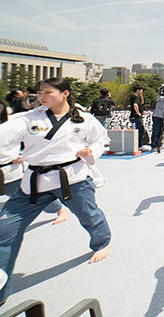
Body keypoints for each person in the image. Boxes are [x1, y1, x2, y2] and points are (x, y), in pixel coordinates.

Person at [0, 78, 112, 306]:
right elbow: (4, 133)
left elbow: (101, 140)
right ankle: (2, 289)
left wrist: (90, 151)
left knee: (88, 214)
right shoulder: (29, 119)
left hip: (72, 178)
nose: (41, 97)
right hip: (35, 182)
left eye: (47, 93)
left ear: (65, 93)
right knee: (4, 229)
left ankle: (102, 242)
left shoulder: (83, 119)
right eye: (39, 93)